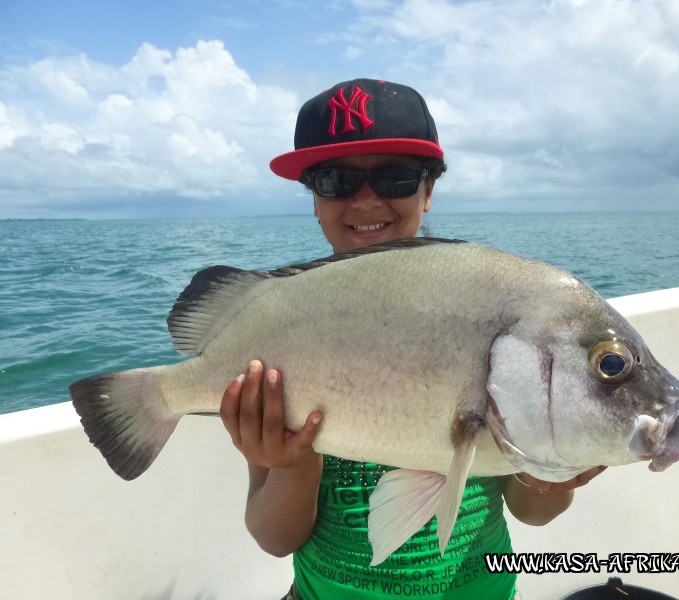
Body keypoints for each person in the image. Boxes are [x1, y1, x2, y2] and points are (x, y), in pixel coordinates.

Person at [219, 78, 604, 600]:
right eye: (334, 181)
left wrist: (554, 470)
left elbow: (532, 512)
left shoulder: (485, 311)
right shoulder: (281, 332)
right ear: (313, 199)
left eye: (396, 178)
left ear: (429, 192)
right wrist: (292, 465)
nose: (365, 199)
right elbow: (275, 537)